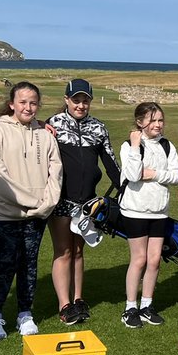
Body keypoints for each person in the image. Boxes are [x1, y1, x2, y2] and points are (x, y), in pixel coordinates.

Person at [0, 81, 62, 340]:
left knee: (28, 265)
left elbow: (55, 171)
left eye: (33, 102)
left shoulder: (45, 134)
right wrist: (30, 201)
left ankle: (25, 313)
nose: (28, 107)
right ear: (12, 104)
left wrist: (46, 204)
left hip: (37, 214)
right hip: (4, 213)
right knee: (5, 264)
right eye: (23, 102)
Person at [47, 79, 120, 326]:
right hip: (61, 202)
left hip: (88, 203)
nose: (81, 105)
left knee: (79, 251)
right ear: (66, 100)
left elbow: (110, 162)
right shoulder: (52, 124)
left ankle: (79, 299)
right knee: (64, 251)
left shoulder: (98, 128)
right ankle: (64, 305)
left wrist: (124, 188)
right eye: (76, 100)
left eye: (85, 100)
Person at [117, 102, 178, 329]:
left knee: (154, 260)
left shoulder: (167, 146)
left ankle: (147, 305)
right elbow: (134, 174)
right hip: (134, 210)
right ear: (140, 122)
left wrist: (154, 173)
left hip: (159, 211)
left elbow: (177, 176)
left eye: (160, 120)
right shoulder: (129, 146)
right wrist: (136, 145)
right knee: (139, 259)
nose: (157, 125)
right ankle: (130, 308)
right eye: (152, 120)